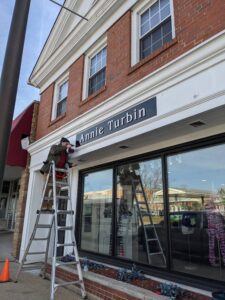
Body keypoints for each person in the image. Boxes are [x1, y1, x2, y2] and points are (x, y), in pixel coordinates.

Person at [40, 137, 75, 210]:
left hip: (58, 173)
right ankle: (43, 205)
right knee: (48, 188)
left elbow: (64, 162)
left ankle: (50, 206)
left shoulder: (65, 153)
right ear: (62, 142)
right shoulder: (55, 147)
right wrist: (65, 147)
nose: (68, 145)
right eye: (66, 143)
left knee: (56, 190)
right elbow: (54, 152)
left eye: (68, 144)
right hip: (50, 171)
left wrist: (71, 165)